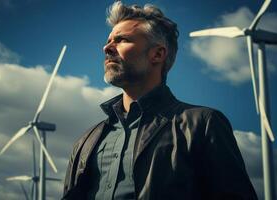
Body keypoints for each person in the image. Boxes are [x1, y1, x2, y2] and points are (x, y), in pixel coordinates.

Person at [63, 1, 258, 200]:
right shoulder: (86, 141)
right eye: (109, 40)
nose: (107, 48)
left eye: (121, 40)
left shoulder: (203, 124)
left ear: (157, 54)